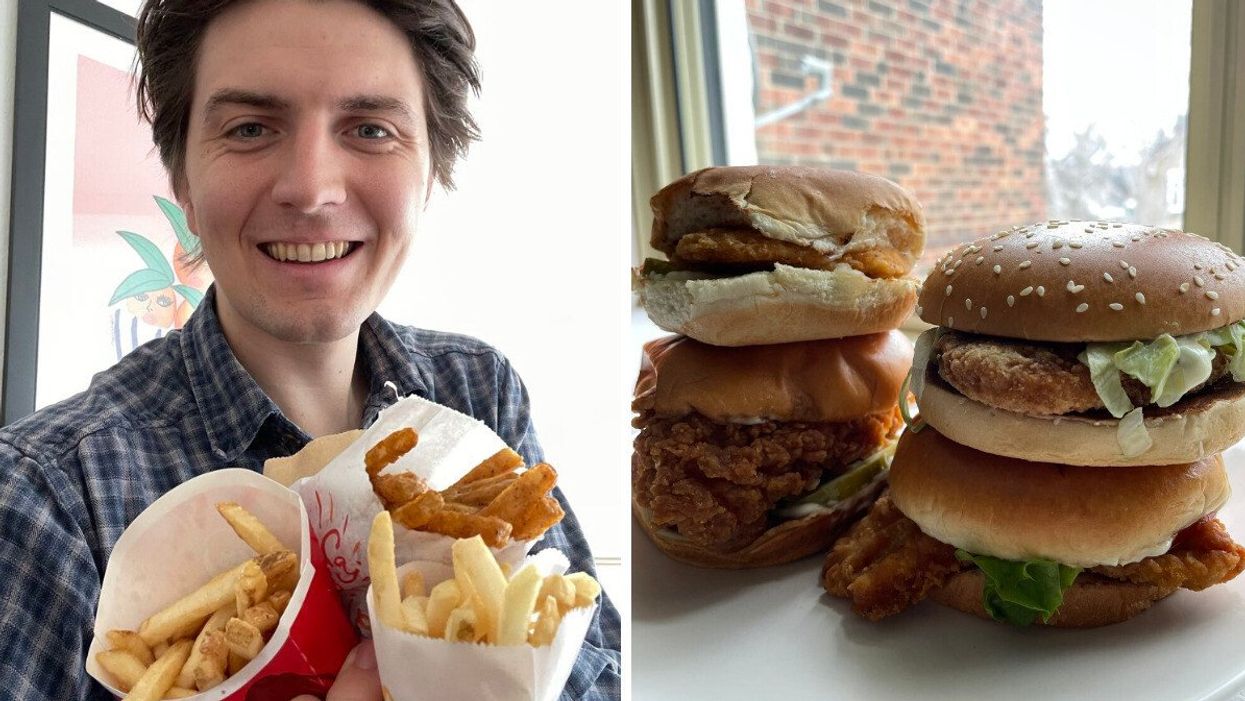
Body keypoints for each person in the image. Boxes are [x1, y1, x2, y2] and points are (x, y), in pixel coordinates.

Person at [0, 0, 621, 698]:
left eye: (370, 129)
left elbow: (602, 661)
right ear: (183, 184)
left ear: (430, 172)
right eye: (250, 128)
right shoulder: (47, 496)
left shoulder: (478, 388)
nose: (310, 188)